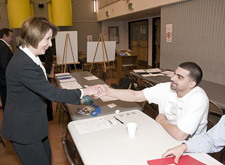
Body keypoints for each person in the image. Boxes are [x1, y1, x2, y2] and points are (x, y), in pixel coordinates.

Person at [1, 16, 97, 165]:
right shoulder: (23, 64)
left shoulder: (30, 56)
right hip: (23, 129)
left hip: (32, 123)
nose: (49, 43)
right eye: (47, 39)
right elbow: (52, 93)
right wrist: (86, 91)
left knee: (46, 159)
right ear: (34, 36)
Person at [96, 62, 209, 141]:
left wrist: (162, 121)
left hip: (189, 146)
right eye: (174, 74)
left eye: (179, 77)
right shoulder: (166, 87)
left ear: (191, 84)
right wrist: (107, 91)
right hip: (166, 134)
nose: (172, 78)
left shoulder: (198, 99)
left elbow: (180, 135)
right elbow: (135, 95)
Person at [39, 46, 54, 121]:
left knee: (47, 95)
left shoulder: (47, 45)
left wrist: (45, 73)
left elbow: (49, 60)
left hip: (44, 74)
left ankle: (49, 115)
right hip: (37, 73)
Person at [0, 28, 13, 111]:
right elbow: (5, 66)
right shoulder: (3, 47)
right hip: (5, 81)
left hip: (2, 80)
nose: (12, 39)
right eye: (11, 37)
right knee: (7, 103)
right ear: (5, 36)